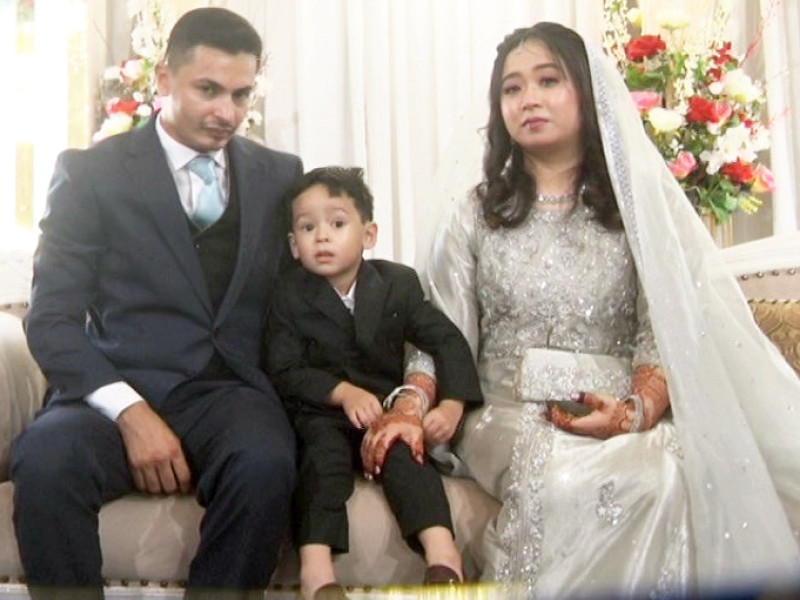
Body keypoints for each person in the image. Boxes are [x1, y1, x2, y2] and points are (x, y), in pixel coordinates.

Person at [363, 22, 800, 599]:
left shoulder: (634, 210)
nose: (530, 99)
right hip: (505, 408)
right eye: (513, 89)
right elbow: (438, 330)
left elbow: (664, 329)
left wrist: (635, 412)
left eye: (549, 80)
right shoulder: (475, 214)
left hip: (615, 405)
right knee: (568, 477)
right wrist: (414, 402)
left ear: (587, 96)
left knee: (664, 473)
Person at [11, 8, 302, 600]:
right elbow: (52, 317)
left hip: (229, 394)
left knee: (267, 462)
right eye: (209, 90)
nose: (228, 112)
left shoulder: (280, 175)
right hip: (114, 390)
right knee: (44, 461)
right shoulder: (92, 174)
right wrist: (130, 413)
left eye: (242, 93)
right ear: (165, 79)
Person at [265, 166, 483, 600]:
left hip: (383, 412)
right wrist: (342, 392)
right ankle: (317, 571)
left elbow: (445, 338)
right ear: (293, 245)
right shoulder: (288, 293)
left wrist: (453, 403)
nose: (322, 237)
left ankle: (443, 557)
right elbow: (284, 367)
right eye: (307, 228)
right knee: (320, 464)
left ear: (368, 235)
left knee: (406, 454)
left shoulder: (396, 284)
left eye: (337, 223)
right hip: (320, 412)